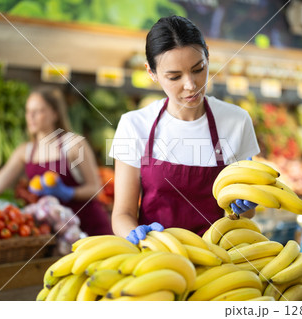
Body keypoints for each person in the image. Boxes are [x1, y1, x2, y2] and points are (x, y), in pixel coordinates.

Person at [109, 16, 260, 244]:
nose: (191, 85)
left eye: (198, 69)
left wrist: (244, 205)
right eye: (174, 76)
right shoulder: (134, 125)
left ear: (207, 55)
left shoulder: (237, 121)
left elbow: (246, 216)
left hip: (221, 261)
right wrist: (136, 236)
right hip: (158, 260)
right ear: (151, 72)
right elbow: (122, 214)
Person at [0, 86, 113, 236]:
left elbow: (95, 188)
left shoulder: (73, 144)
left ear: (55, 114)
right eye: (28, 111)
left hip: (90, 227)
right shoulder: (25, 151)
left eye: (38, 111)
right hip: (55, 233)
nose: (30, 117)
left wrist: (67, 192)